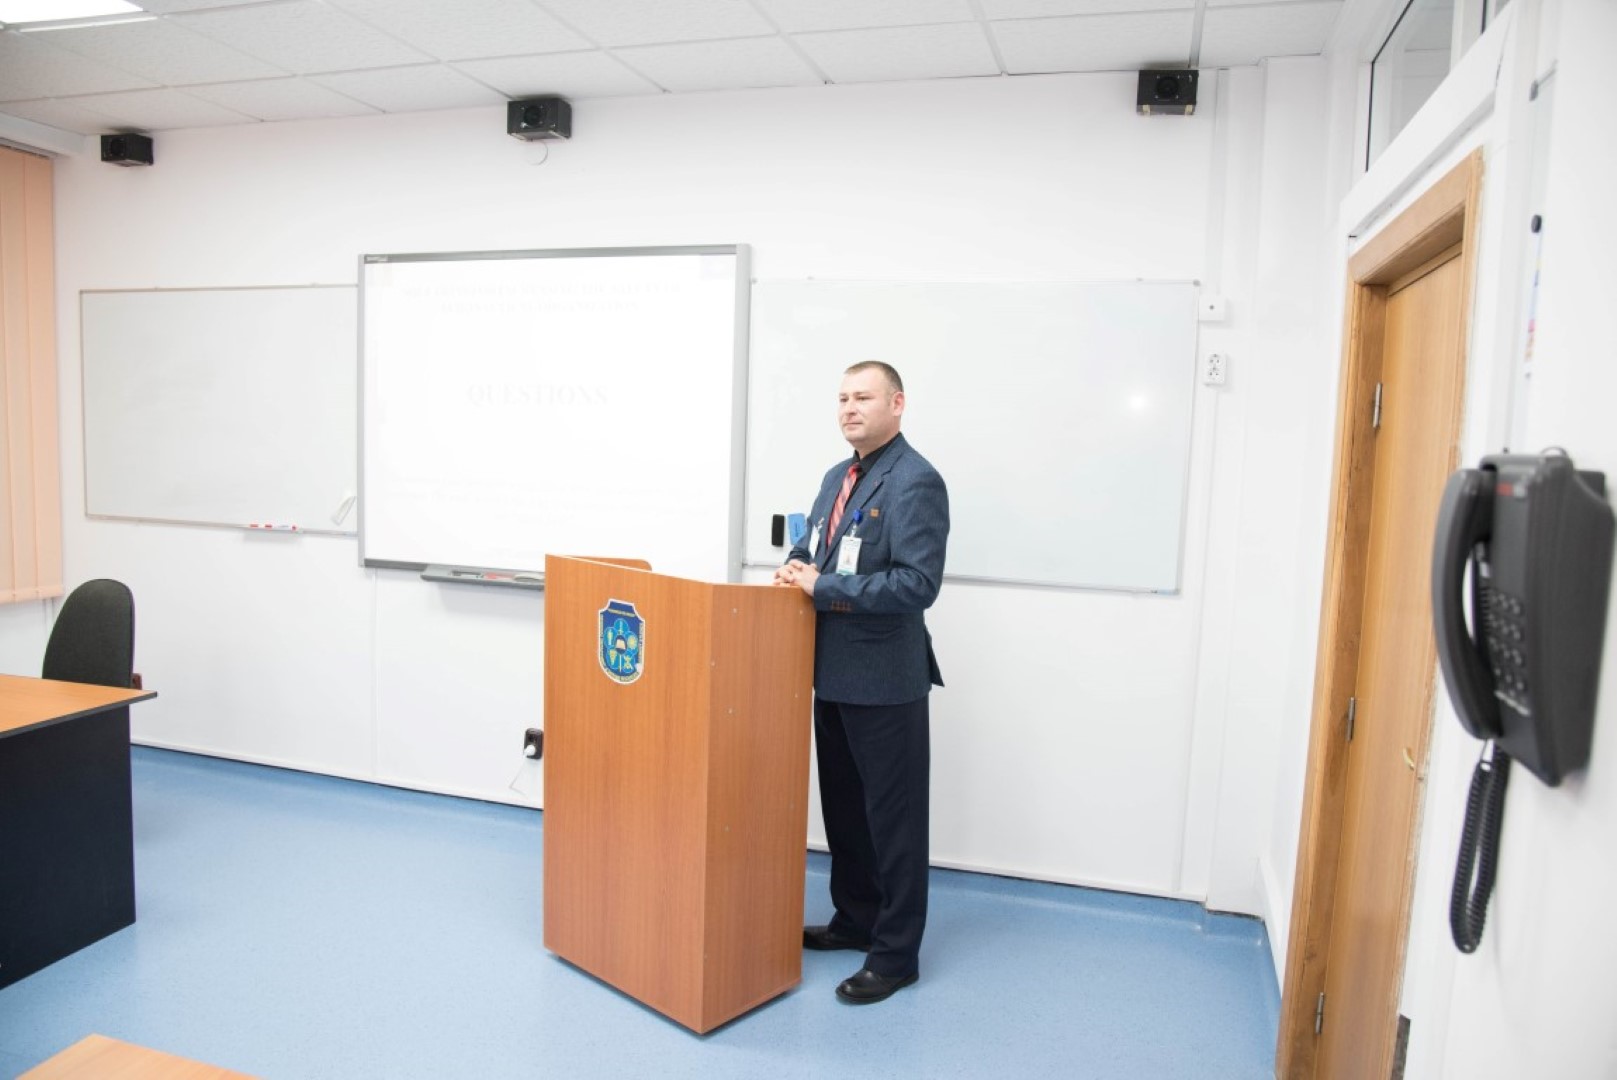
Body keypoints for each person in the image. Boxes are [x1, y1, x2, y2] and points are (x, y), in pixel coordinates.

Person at [775, 360, 949, 1004]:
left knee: (893, 823)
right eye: (843, 398)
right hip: (830, 674)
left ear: (897, 404)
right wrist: (794, 567)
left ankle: (896, 954)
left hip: (884, 680)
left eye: (864, 397)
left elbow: (917, 584)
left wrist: (822, 587)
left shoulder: (916, 480)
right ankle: (855, 920)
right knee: (845, 812)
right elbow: (813, 550)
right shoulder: (837, 476)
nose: (849, 408)